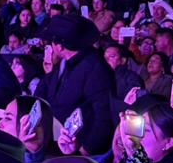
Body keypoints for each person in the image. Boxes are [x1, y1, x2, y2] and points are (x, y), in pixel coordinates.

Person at [37, 13, 118, 155]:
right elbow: (46, 93)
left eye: (51, 42)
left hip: (75, 151)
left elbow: (104, 116)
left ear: (60, 46)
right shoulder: (64, 63)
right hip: (56, 143)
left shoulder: (95, 68)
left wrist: (85, 150)